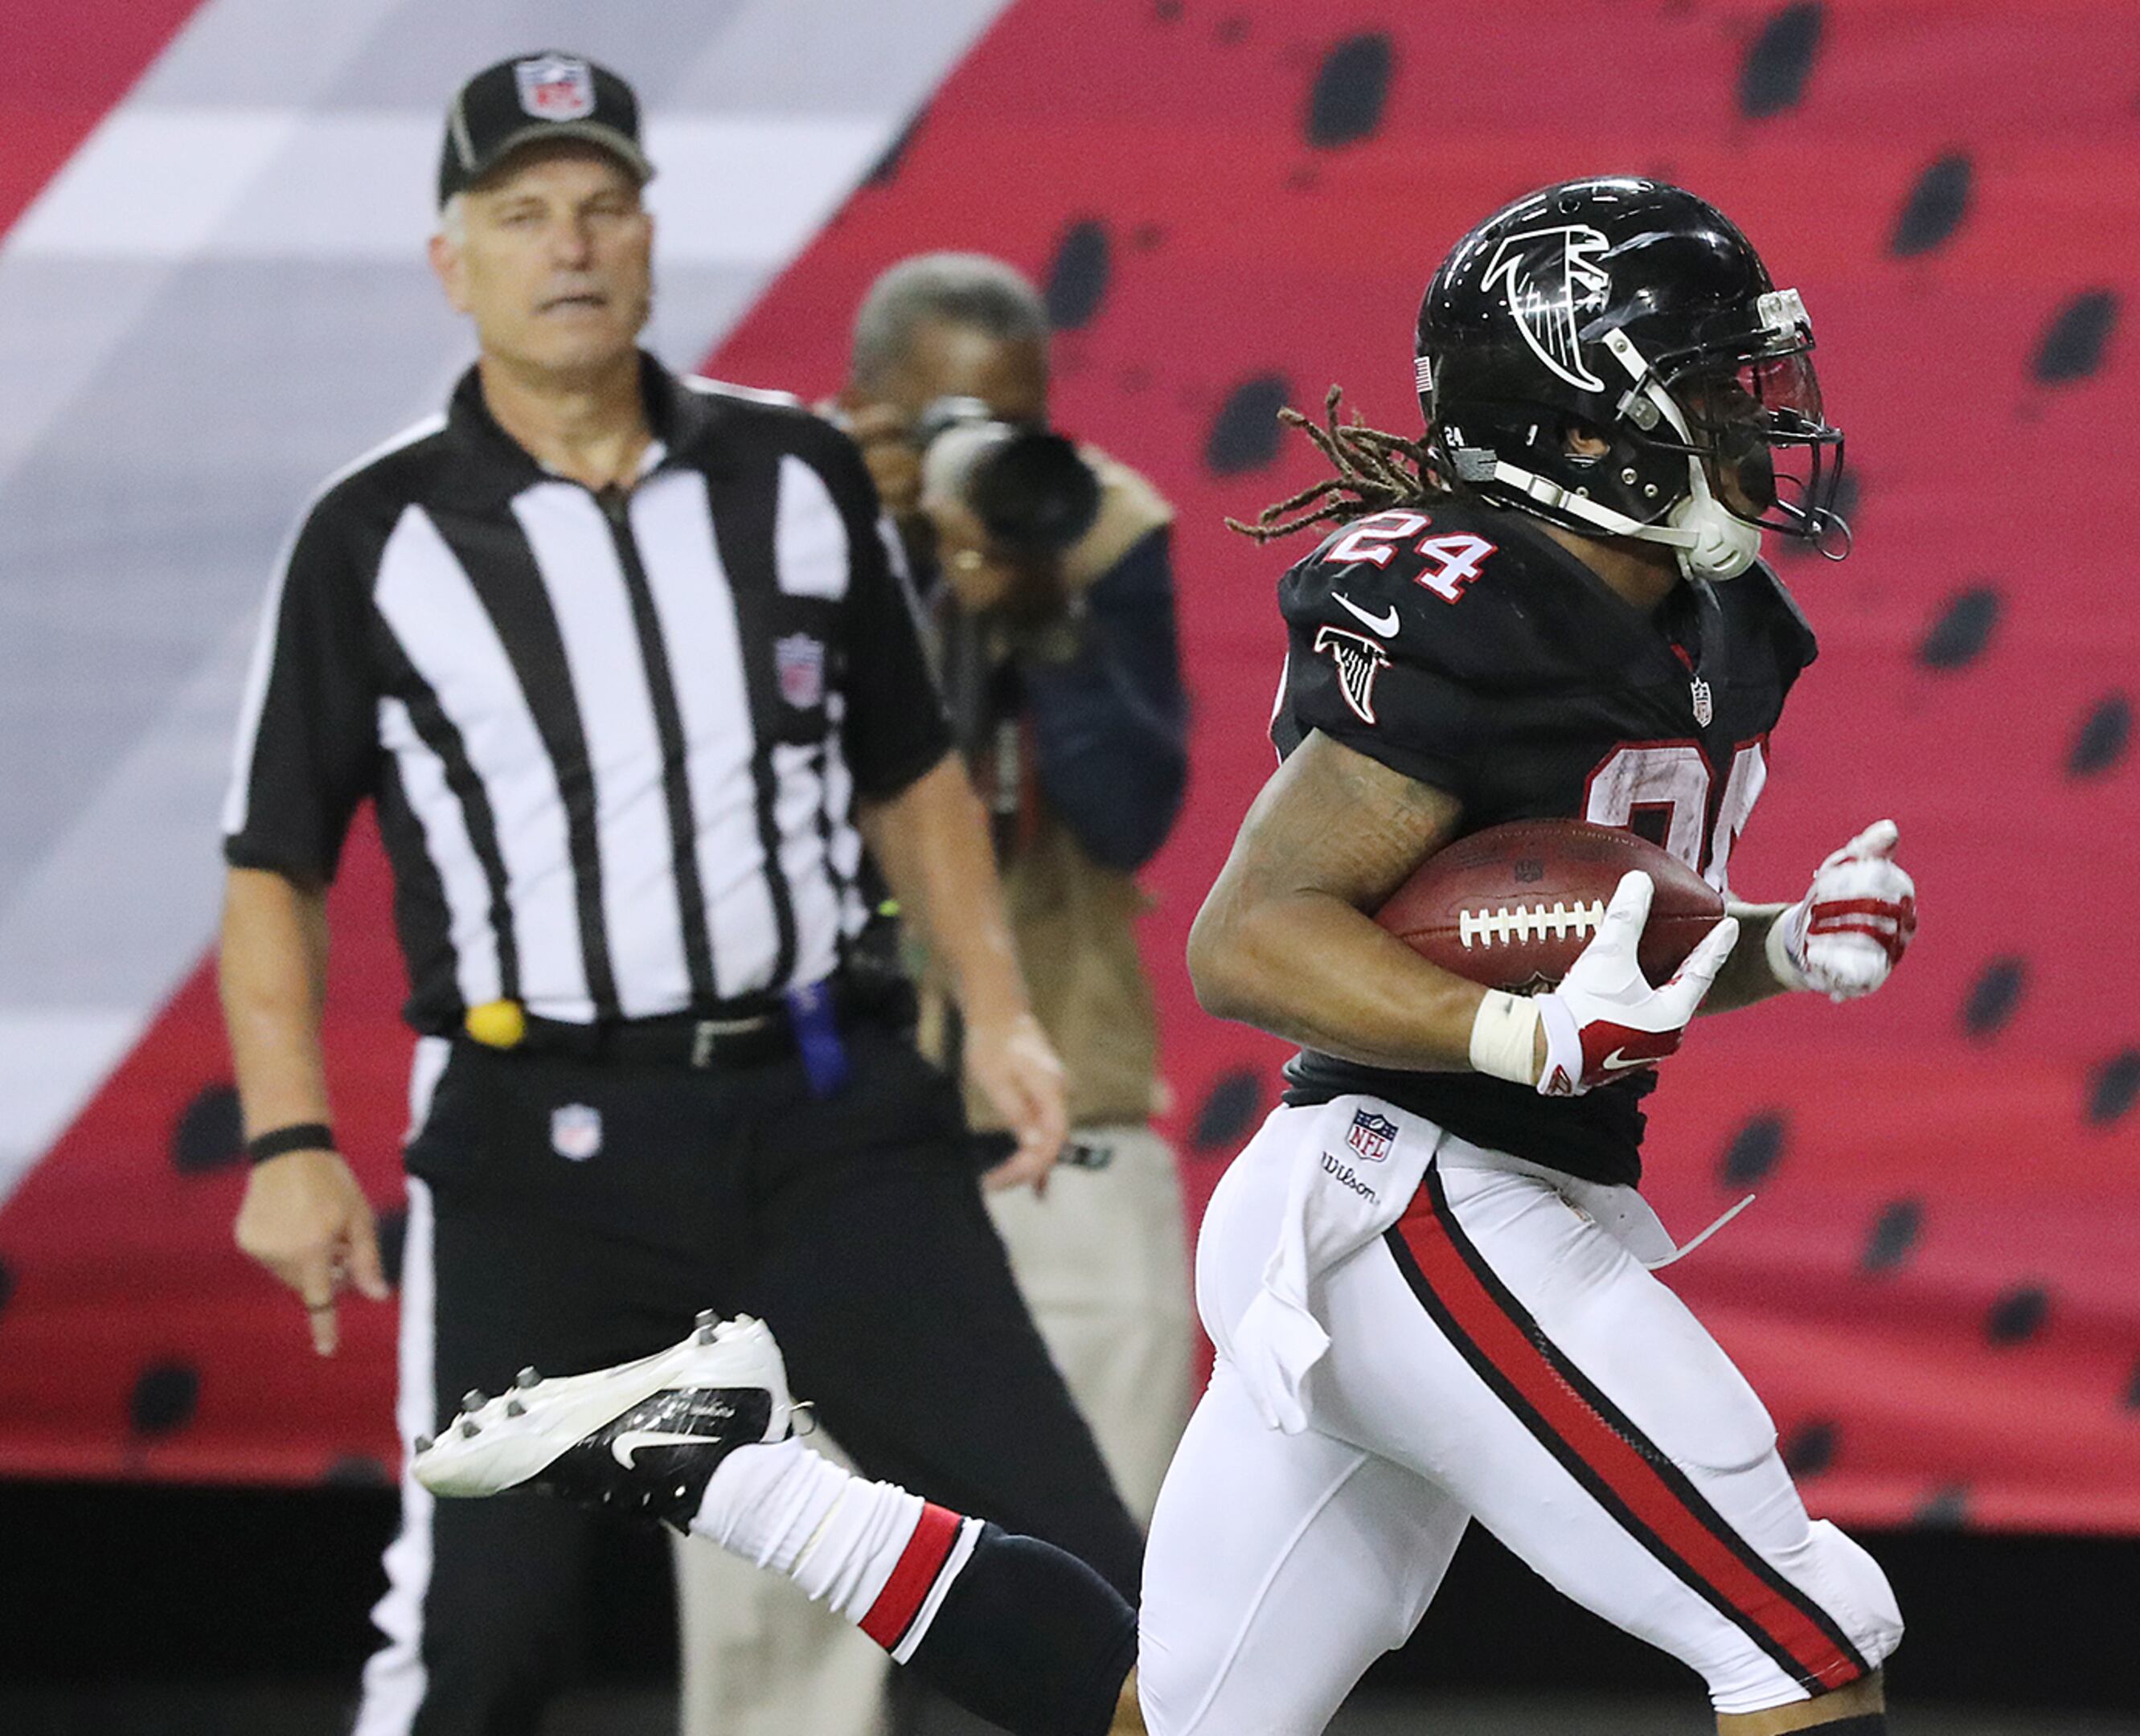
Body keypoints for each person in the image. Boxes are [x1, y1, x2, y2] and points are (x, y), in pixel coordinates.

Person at [409, 177, 1921, 1736]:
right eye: (1709, 380)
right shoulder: (1471, 609)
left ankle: (721, 1465)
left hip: (1478, 1188)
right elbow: (1249, 937)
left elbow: (1612, 934)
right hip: (1423, 1194)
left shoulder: (1711, 617)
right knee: (1799, 1631)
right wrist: (1517, 1044)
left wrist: (1782, 943)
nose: (1757, 413)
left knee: (1174, 1722)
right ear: (1581, 425)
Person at [216, 52, 1141, 1736]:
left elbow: (910, 766)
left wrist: (997, 1007)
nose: (567, 246)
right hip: (538, 1149)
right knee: (481, 1649)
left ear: (650, 236)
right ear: (456, 259)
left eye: (600, 207)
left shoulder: (791, 477)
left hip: (830, 1116)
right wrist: (288, 1141)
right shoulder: (377, 533)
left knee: (1093, 1579)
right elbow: (275, 861)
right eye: (522, 214)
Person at [671, 253, 1195, 1736]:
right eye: (942, 417)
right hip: (809, 1117)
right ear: (862, 408)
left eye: (1012, 414)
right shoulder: (758, 529)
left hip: (1060, 1115)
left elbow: (1129, 811)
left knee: (1126, 1596)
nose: (985, 444)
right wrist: (871, 554)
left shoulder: (1097, 522)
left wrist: (1041, 614)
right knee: (777, 1608)